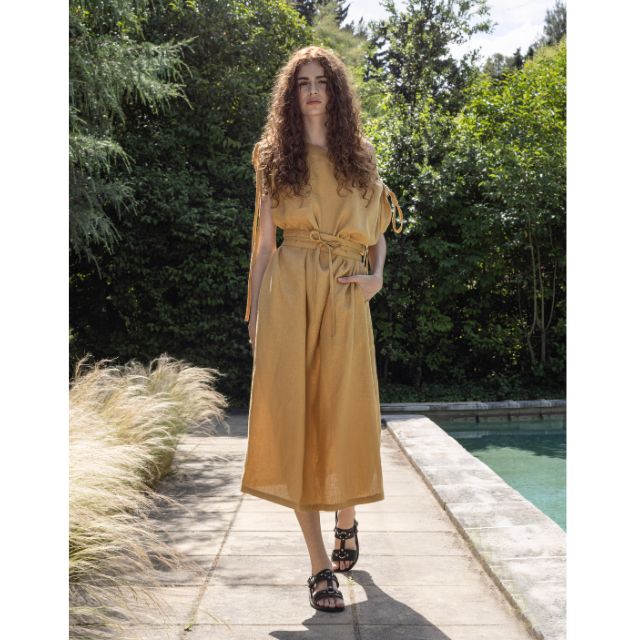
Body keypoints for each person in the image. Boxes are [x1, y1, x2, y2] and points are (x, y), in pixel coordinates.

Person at [240, 45, 404, 613]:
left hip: (344, 292)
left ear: (335, 92)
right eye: (303, 82)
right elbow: (265, 244)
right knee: (296, 422)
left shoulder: (360, 153)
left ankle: (347, 516)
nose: (312, 90)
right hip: (289, 293)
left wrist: (377, 277)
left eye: (321, 82)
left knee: (345, 412)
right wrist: (255, 314)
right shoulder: (271, 156)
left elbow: (378, 228)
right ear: (291, 94)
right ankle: (318, 567)